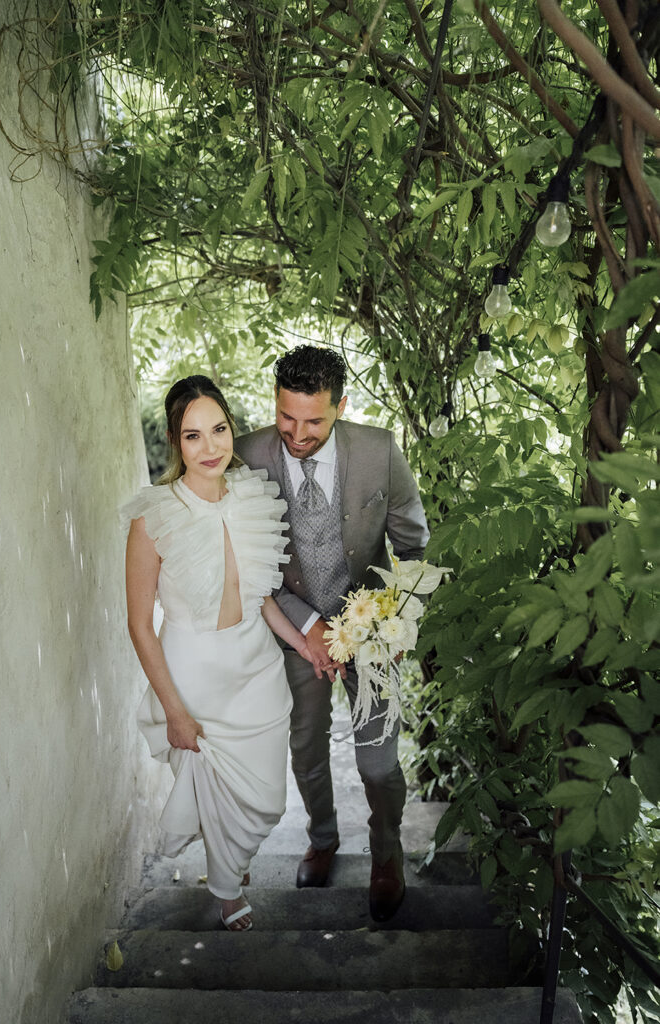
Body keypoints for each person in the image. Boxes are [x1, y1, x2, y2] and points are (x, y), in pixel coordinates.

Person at [235, 346, 429, 922]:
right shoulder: (245, 456)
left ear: (341, 406)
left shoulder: (380, 453)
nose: (296, 433)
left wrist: (392, 619)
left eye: (314, 421)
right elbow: (250, 568)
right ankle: (322, 838)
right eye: (286, 417)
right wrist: (305, 628)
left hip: (373, 631)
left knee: (377, 763)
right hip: (295, 630)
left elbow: (414, 550)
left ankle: (387, 852)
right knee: (306, 746)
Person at [122, 375, 320, 931]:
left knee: (266, 801)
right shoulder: (153, 516)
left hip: (256, 669)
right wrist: (175, 712)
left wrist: (303, 643)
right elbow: (140, 625)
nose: (210, 448)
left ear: (231, 430)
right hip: (196, 678)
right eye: (192, 436)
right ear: (173, 441)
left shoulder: (253, 496)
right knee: (213, 791)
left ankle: (230, 862)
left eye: (219, 430)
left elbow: (260, 599)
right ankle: (228, 889)